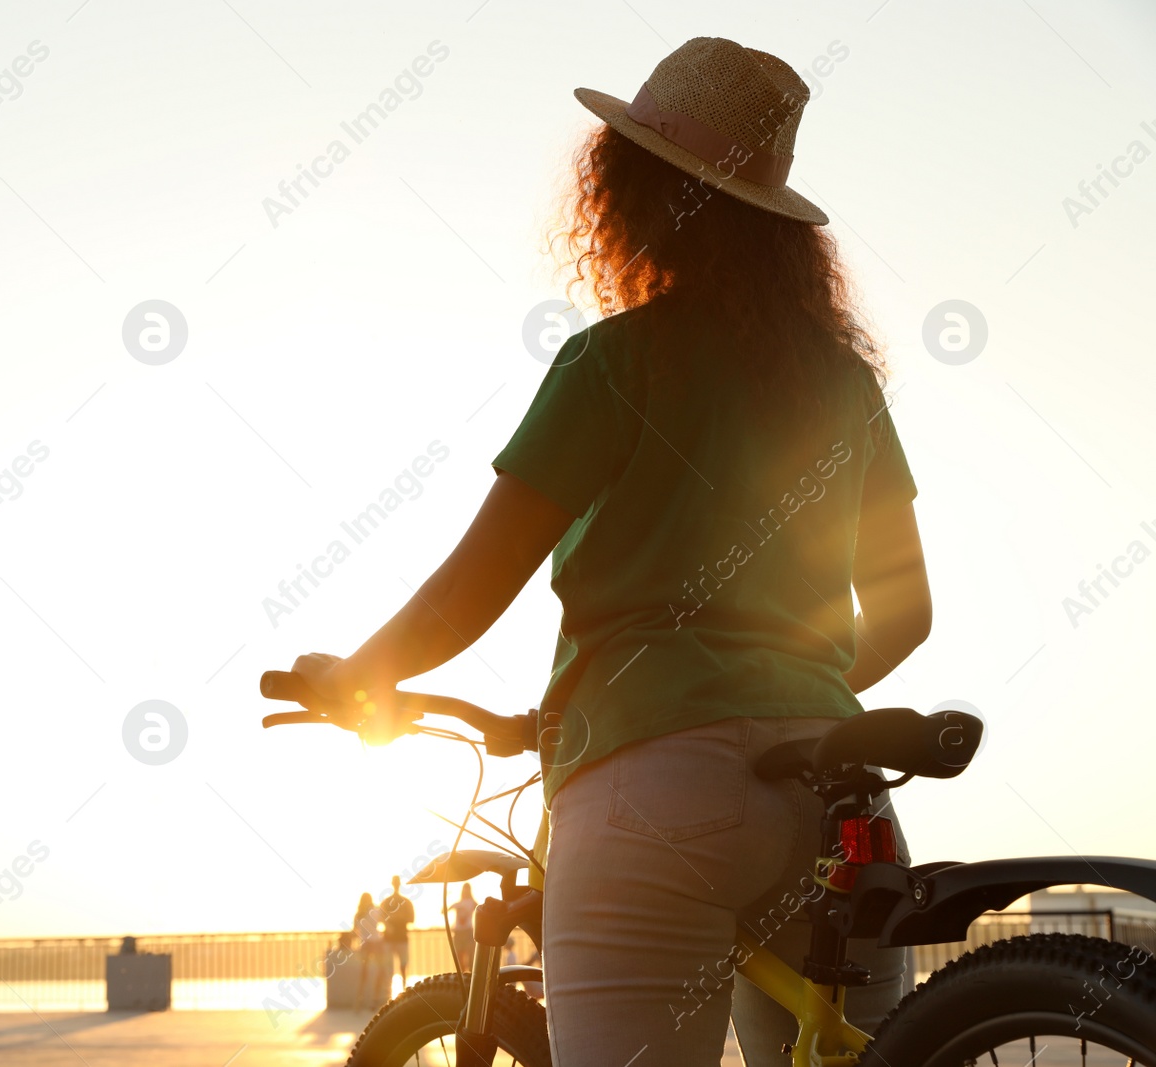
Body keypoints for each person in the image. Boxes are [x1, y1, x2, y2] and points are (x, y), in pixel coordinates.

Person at [291, 35, 930, 1066]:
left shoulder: (613, 363)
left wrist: (356, 673)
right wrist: (775, 694)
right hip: (837, 782)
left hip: (651, 789)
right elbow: (905, 615)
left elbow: (467, 590)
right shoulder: (843, 387)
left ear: (628, 192)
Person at [351, 892, 388, 1010]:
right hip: (377, 943)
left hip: (365, 944)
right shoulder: (376, 911)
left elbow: (355, 931)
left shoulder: (358, 914)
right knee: (380, 971)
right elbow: (385, 922)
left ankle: (359, 1000)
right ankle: (375, 1000)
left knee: (364, 973)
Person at [378, 875, 415, 989]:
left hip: (401, 938)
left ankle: (403, 991)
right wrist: (390, 922)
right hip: (389, 940)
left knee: (403, 967)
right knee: (388, 967)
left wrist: (397, 917)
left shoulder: (406, 902)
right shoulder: (386, 902)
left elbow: (411, 918)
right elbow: (380, 918)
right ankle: (388, 992)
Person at [448, 884, 477, 971]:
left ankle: (470, 976)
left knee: (470, 956)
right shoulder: (458, 903)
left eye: (467, 889)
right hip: (458, 932)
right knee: (459, 956)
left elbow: (479, 908)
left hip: (468, 932)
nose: (466, 891)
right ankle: (463, 975)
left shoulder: (472, 902)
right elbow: (445, 910)